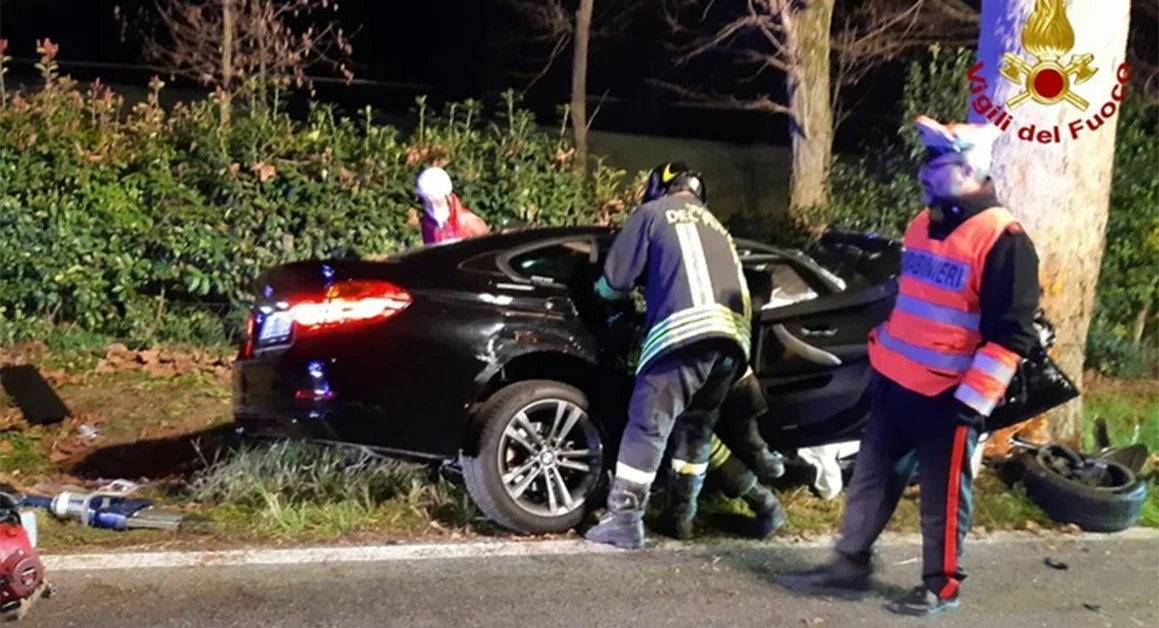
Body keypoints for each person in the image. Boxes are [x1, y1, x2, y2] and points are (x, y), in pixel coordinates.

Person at [778, 115, 1041, 617]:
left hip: (950, 397)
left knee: (942, 499)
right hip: (896, 385)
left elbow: (1011, 335)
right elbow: (916, 299)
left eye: (933, 164)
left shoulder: (1003, 239)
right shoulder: (923, 224)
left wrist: (972, 403)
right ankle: (848, 566)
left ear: (967, 170)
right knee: (870, 480)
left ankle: (942, 585)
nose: (921, 173)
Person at [582, 161, 753, 550]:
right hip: (732, 343)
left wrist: (599, 300)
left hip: (684, 334)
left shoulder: (653, 213)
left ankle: (624, 520)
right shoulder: (718, 227)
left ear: (659, 186)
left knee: (648, 423)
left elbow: (616, 283)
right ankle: (681, 519)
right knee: (696, 429)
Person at [415, 166, 490, 245]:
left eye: (438, 202)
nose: (433, 207)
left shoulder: (470, 223)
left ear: (447, 197)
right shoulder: (428, 224)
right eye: (428, 203)